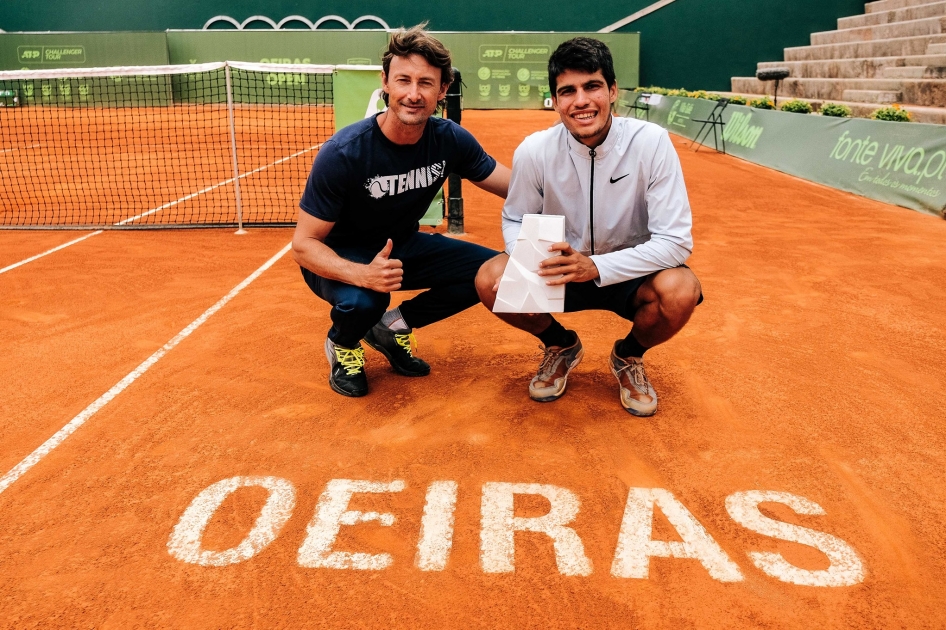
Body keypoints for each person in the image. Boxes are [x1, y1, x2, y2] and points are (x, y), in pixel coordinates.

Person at [475, 37, 702, 417]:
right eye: (568, 91)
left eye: (592, 86)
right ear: (555, 100)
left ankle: (629, 356)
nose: (580, 101)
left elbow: (676, 242)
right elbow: (515, 218)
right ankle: (560, 345)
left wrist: (597, 267)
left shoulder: (651, 143)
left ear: (612, 91)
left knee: (680, 291)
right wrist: (524, 260)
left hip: (632, 273)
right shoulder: (535, 150)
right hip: (561, 271)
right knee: (490, 280)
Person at [293, 25, 510, 397]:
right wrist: (362, 274)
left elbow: (513, 185)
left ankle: (392, 326)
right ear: (385, 83)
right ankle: (343, 343)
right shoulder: (344, 153)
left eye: (426, 83)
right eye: (403, 80)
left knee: (495, 273)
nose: (413, 94)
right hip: (338, 256)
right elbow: (303, 245)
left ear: (442, 90)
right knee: (367, 299)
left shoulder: (449, 139)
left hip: (401, 247)